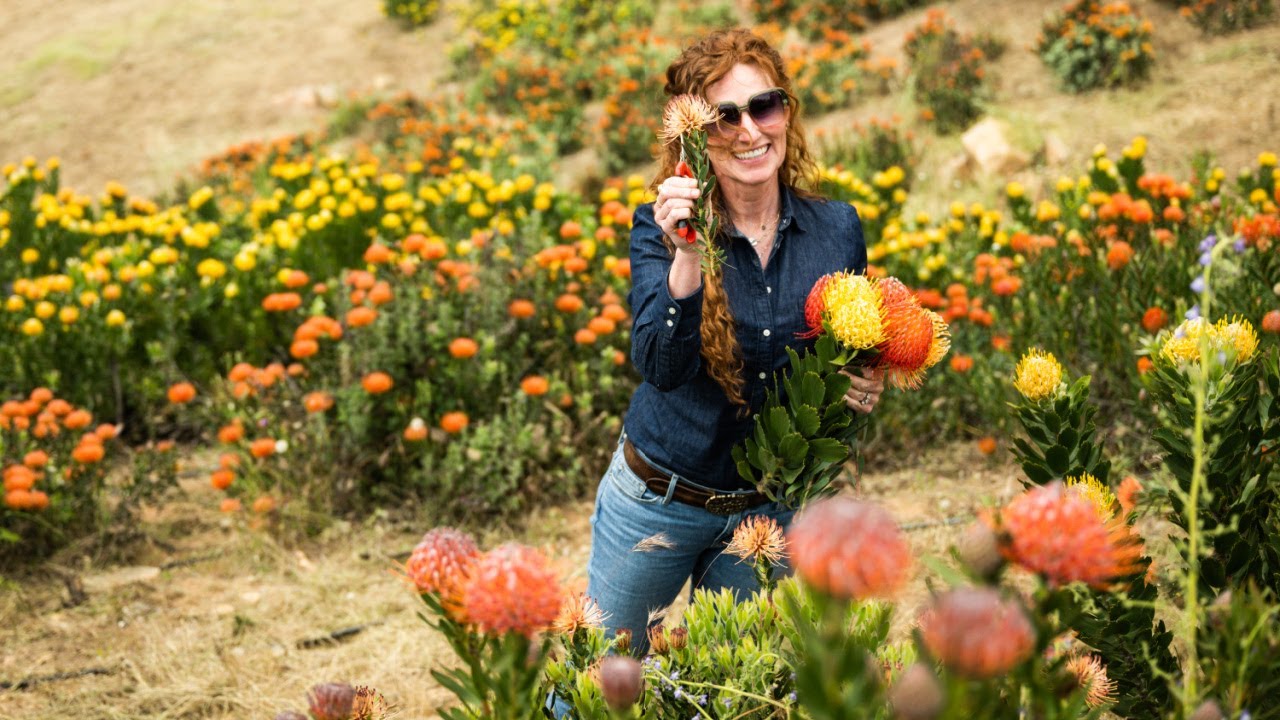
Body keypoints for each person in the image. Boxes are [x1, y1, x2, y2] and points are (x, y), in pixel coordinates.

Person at [587, 27, 884, 657]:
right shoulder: (655, 228)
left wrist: (864, 376)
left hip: (766, 513)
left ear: (786, 113)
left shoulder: (837, 229)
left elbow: (847, 351)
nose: (750, 130)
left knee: (737, 686)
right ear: (693, 136)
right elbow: (661, 366)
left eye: (765, 106)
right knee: (605, 671)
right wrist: (688, 255)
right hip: (659, 498)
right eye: (725, 117)